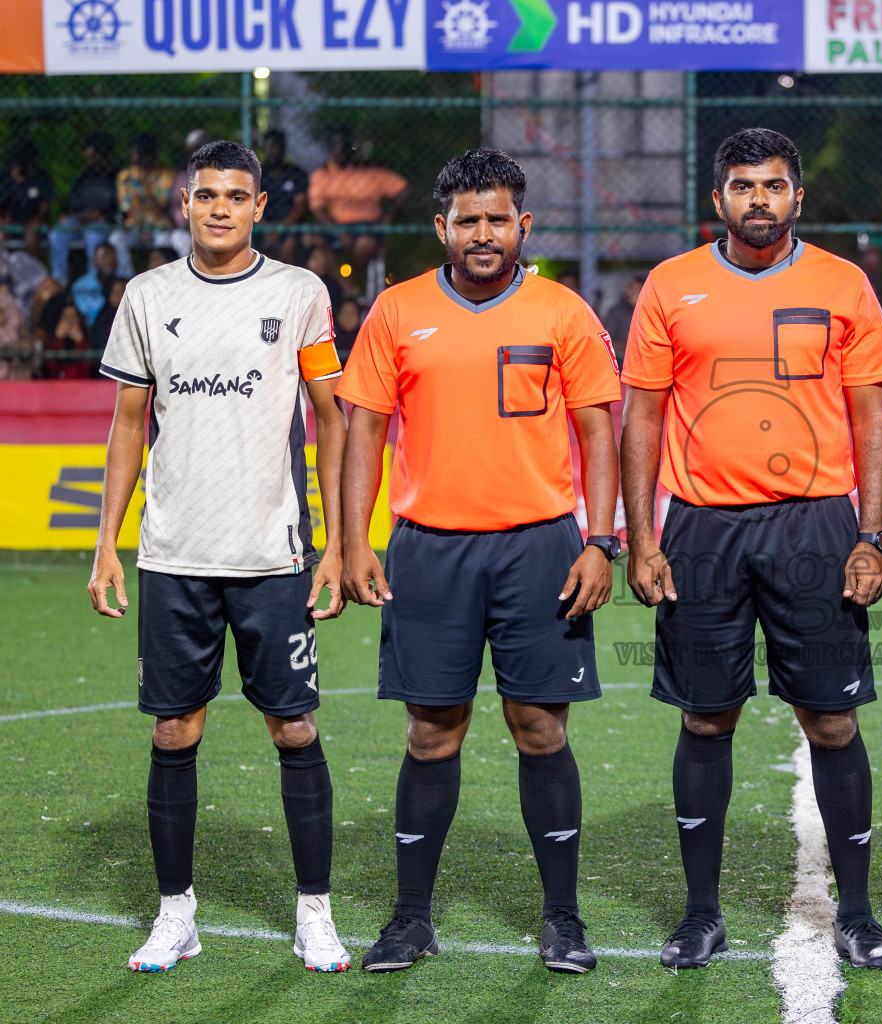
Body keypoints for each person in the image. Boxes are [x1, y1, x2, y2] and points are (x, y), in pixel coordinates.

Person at [621, 128, 882, 971]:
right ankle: (701, 913)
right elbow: (641, 417)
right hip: (704, 527)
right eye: (743, 186)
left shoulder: (844, 285)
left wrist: (872, 535)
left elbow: (873, 417)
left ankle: (854, 912)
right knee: (707, 717)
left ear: (798, 198)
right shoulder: (671, 287)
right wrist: (642, 539)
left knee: (833, 717)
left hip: (816, 523)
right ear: (719, 200)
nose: (758, 200)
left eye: (773, 186)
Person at [337, 148, 621, 976]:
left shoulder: (564, 313)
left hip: (541, 549)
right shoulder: (396, 312)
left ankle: (562, 920)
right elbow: (364, 431)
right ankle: (410, 919)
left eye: (499, 218)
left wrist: (600, 541)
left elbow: (599, 430)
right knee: (431, 733)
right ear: (443, 228)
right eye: (468, 220)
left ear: (523, 224)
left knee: (541, 728)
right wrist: (354, 541)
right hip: (430, 550)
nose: (485, 233)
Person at [85, 139, 352, 974]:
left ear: (261, 206)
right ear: (186, 204)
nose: (221, 209)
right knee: (173, 729)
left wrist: (339, 542)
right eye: (207, 196)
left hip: (272, 556)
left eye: (237, 196)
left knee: (294, 726)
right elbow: (129, 424)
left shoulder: (300, 294)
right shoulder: (146, 295)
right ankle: (176, 916)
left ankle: (315, 912)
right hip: (173, 553)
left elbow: (331, 420)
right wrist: (106, 547)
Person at [308, 128, 406, 272]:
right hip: (334, 226)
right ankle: (347, 287)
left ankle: (355, 279)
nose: (340, 149)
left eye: (343, 144)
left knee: (365, 244)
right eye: (335, 144)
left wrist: (389, 215)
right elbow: (318, 209)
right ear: (329, 147)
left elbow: (401, 188)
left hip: (367, 227)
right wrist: (339, 232)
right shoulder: (321, 175)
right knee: (316, 251)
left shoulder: (367, 171)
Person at [47, 132, 119, 283]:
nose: (90, 157)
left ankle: (94, 283)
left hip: (103, 222)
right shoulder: (84, 175)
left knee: (93, 236)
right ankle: (59, 281)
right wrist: (76, 215)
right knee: (57, 234)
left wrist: (103, 215)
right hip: (80, 220)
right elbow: (72, 203)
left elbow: (119, 207)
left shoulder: (116, 175)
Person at [110, 133, 180, 269]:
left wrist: (144, 188)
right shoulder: (125, 175)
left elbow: (161, 207)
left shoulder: (165, 174)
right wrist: (141, 228)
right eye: (134, 153)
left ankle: (161, 280)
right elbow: (125, 207)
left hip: (159, 226)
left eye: (140, 153)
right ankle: (126, 277)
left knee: (163, 241)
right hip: (134, 226)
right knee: (116, 238)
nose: (136, 158)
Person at [259, 130, 310, 265]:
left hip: (290, 228)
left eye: (278, 146)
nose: (275, 151)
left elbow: (300, 206)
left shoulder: (296, 174)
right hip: (260, 228)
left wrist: (280, 229)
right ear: (264, 149)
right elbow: (250, 205)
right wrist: (267, 229)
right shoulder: (256, 176)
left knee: (290, 242)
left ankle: (283, 284)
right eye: (271, 147)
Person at [0, 139, 55, 257]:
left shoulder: (40, 177)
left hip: (33, 221)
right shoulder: (4, 179)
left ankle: (33, 271)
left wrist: (35, 221)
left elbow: (44, 206)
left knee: (31, 237)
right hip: (10, 222)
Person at [70, 241, 127, 330]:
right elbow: (82, 313)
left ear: (116, 260)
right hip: (88, 331)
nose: (106, 261)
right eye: (102, 256)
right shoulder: (80, 286)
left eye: (110, 256)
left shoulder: (125, 284)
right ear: (93, 260)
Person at [601, 274, 644, 368]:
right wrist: (631, 345)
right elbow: (605, 341)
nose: (629, 292)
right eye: (630, 288)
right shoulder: (617, 312)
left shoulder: (652, 310)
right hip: (622, 364)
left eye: (636, 289)